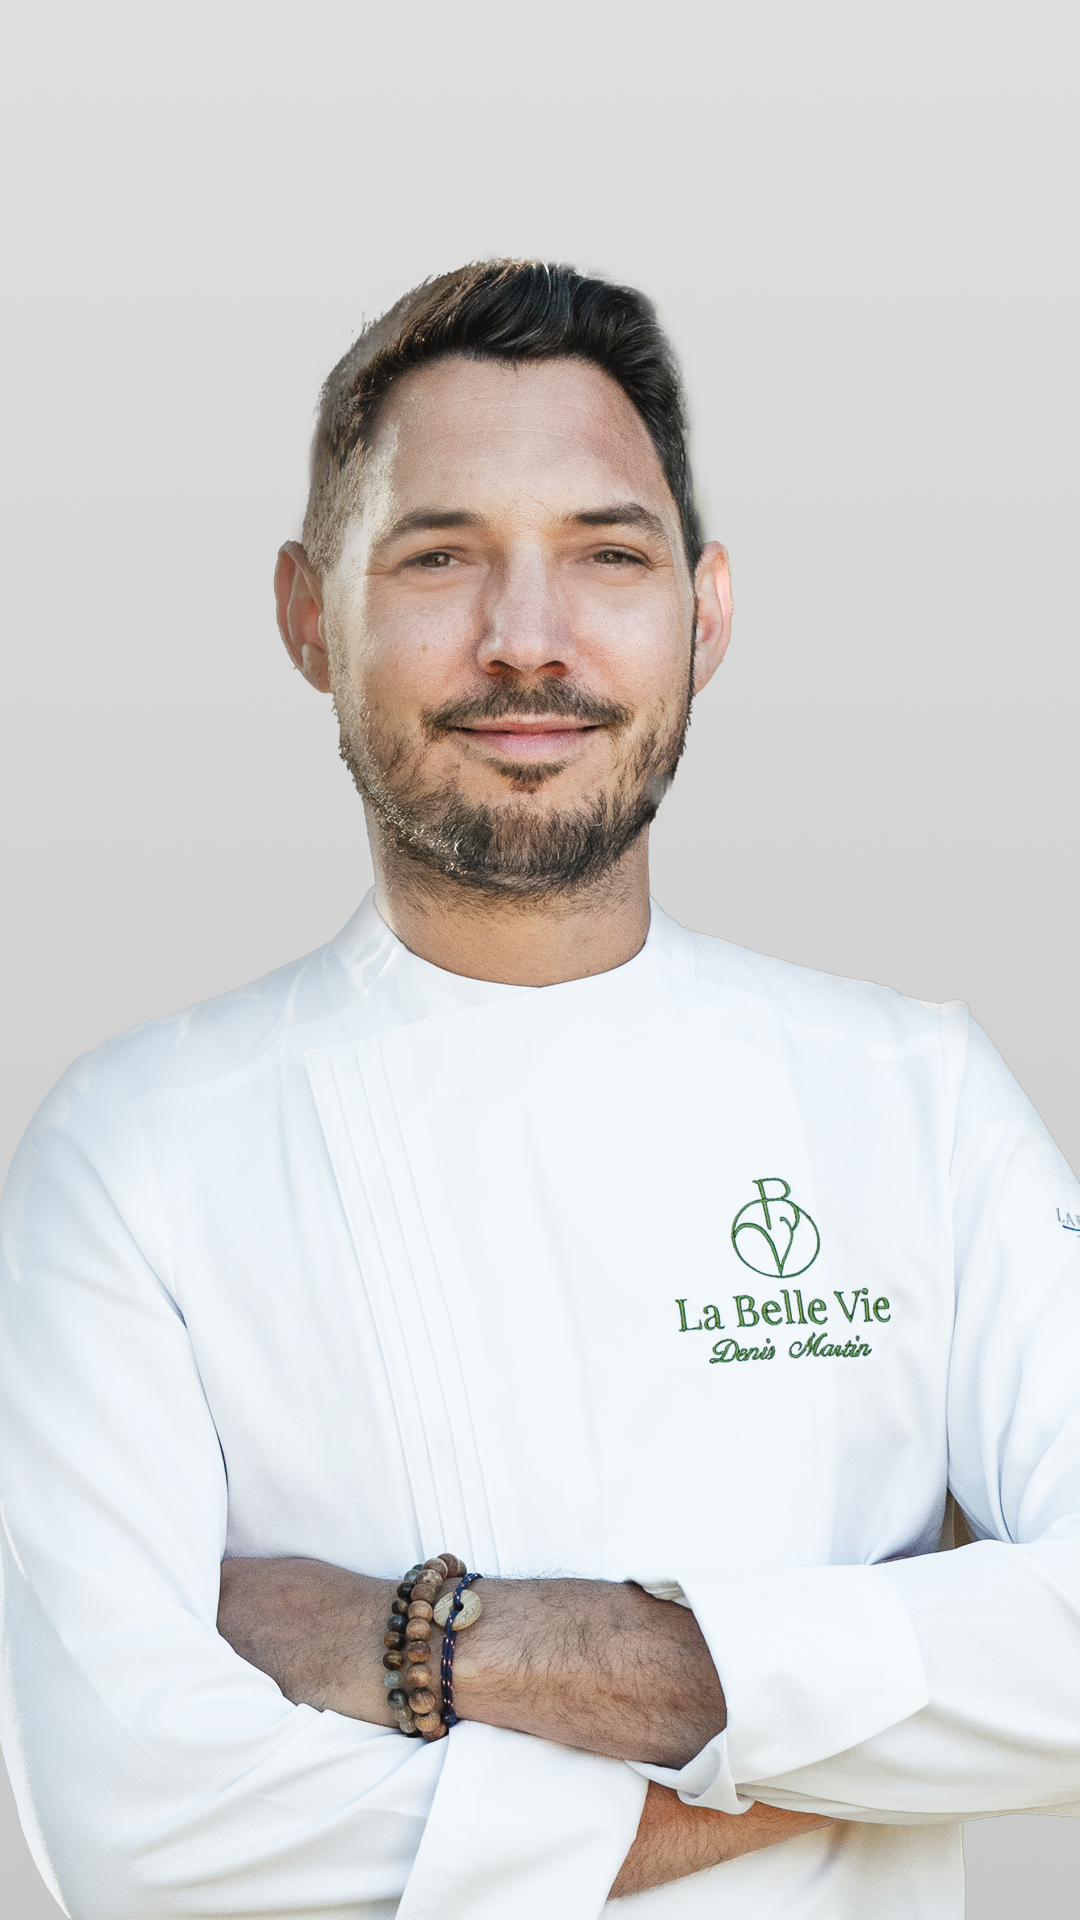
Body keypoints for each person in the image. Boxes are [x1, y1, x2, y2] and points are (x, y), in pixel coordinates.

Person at [2, 260, 1079, 1920]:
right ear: (309, 616)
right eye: (440, 556)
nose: (526, 640)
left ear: (706, 613)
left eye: (608, 555)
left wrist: (438, 1646)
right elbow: (139, 1834)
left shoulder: (916, 1099)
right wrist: (867, 1721)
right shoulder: (131, 1150)